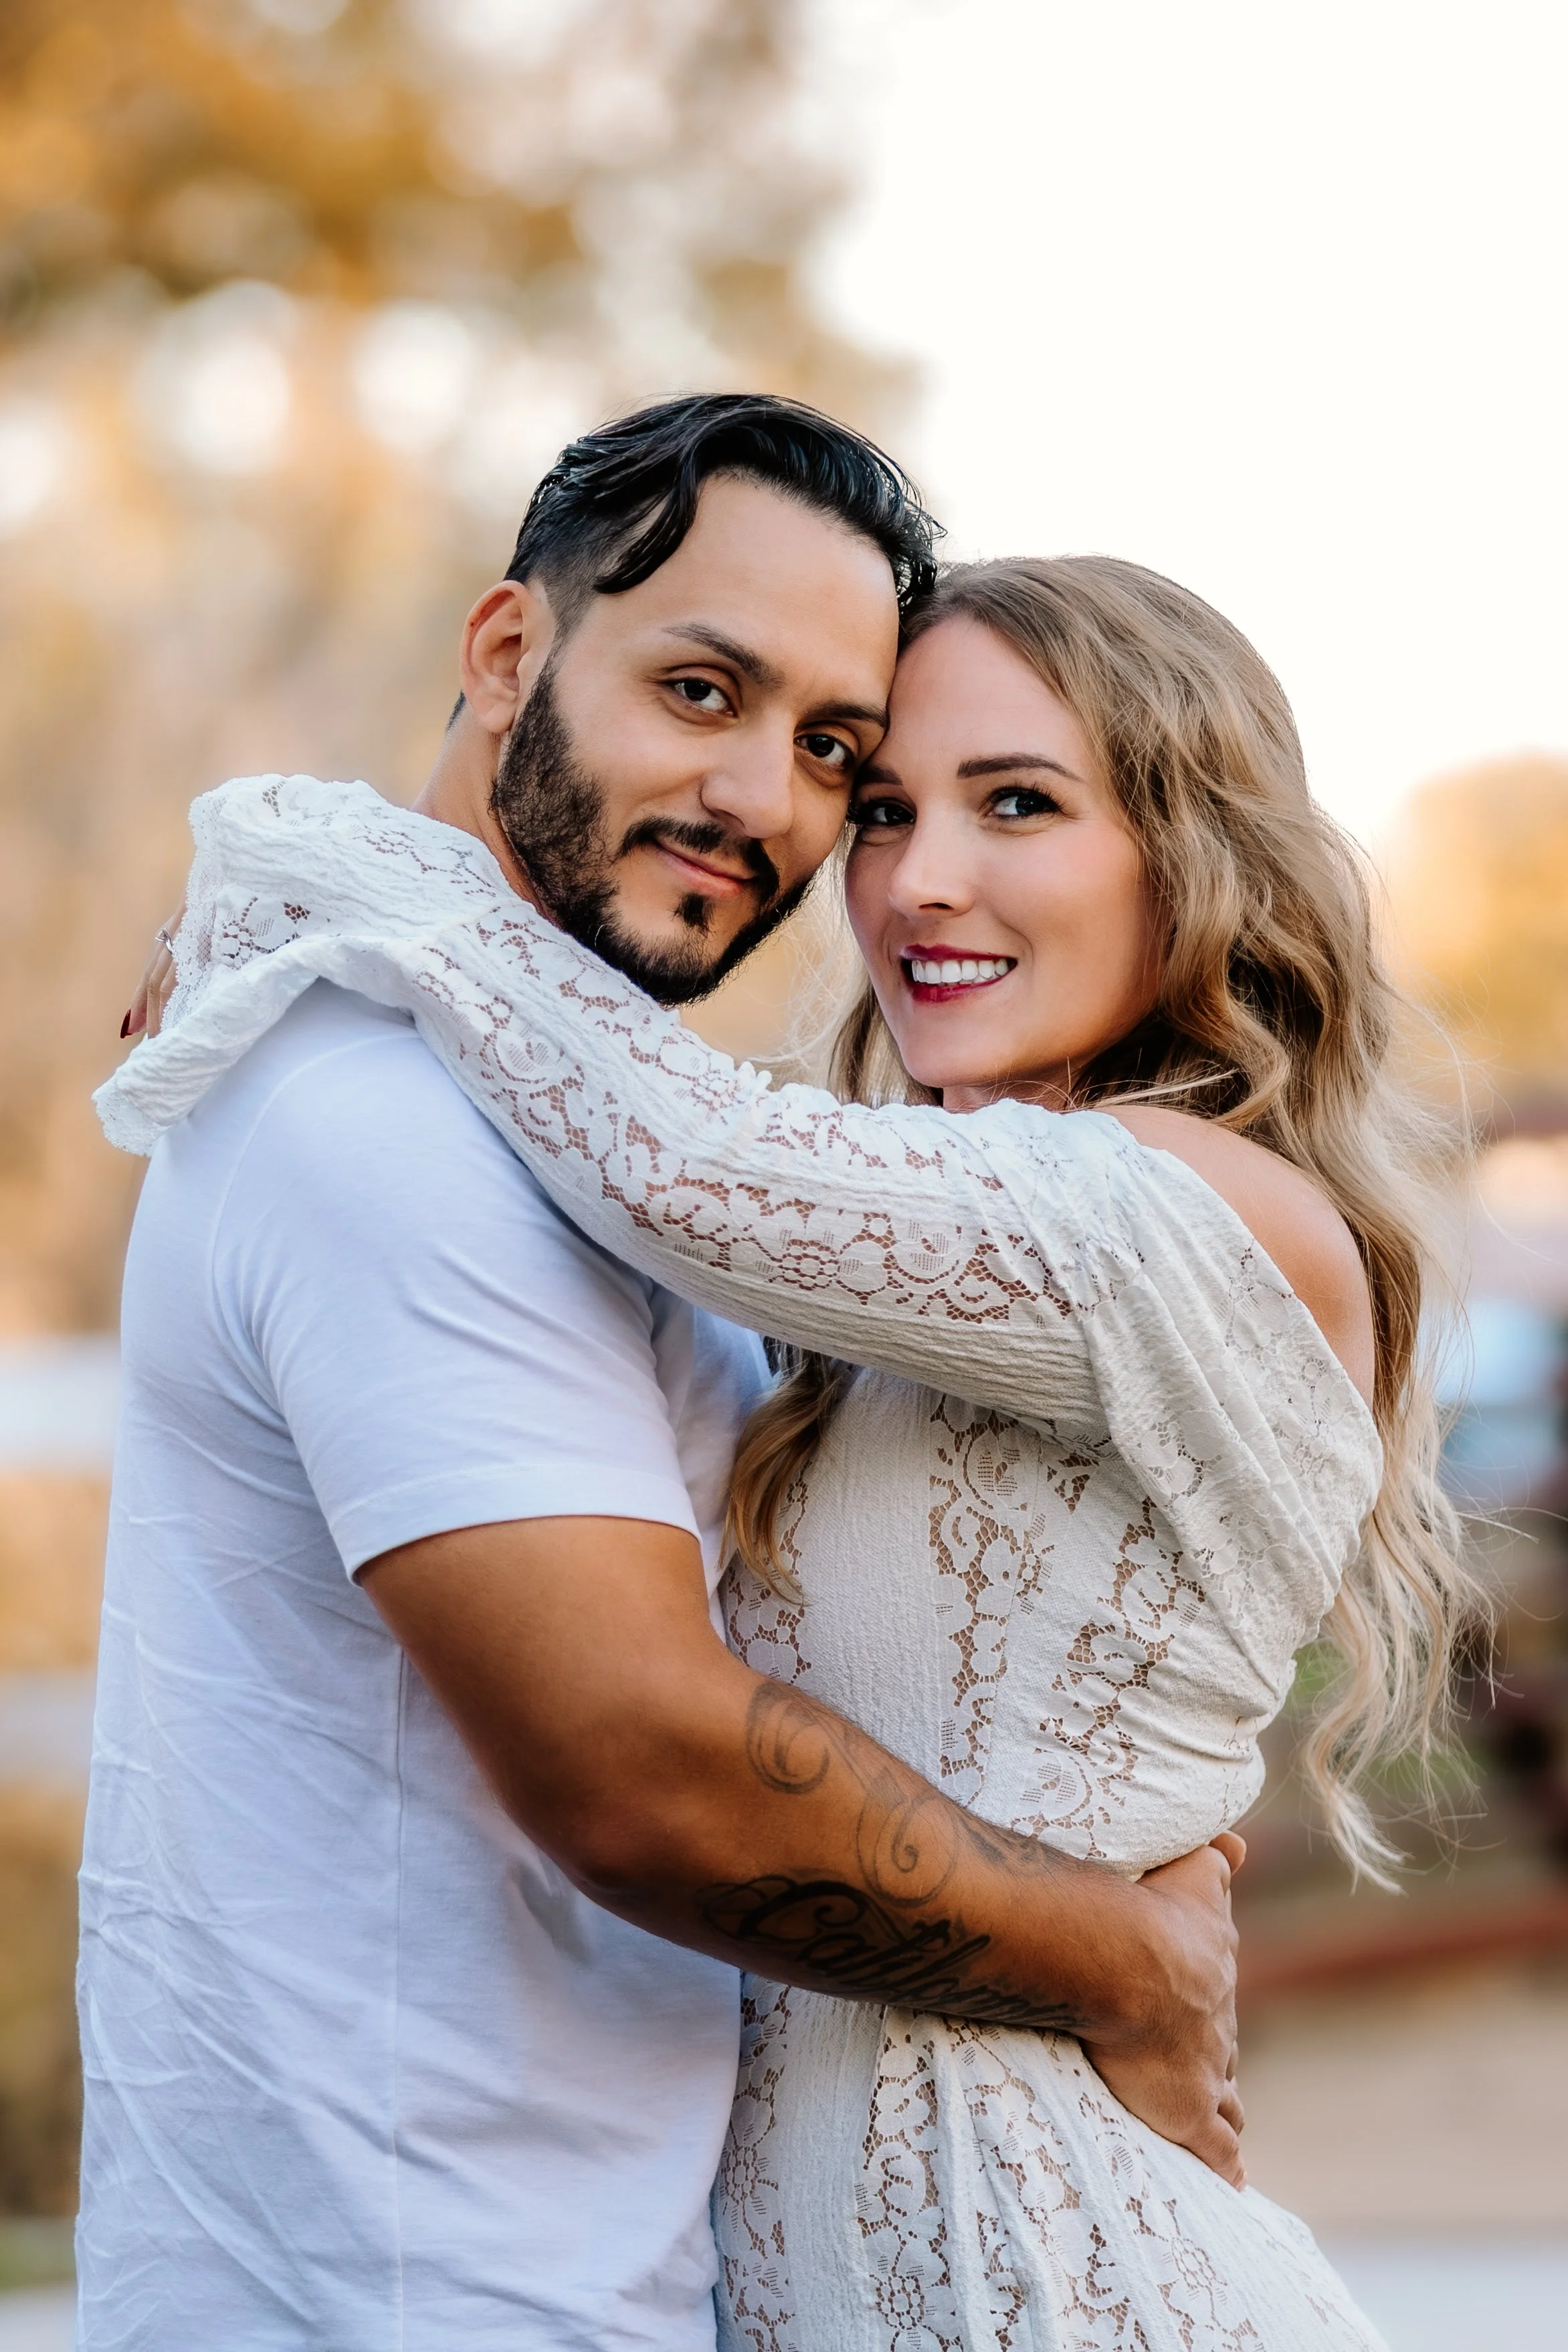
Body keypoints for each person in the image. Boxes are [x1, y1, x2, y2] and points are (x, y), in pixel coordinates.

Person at [110, 549, 1480, 2349]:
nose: (921, 881)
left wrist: (294, 872)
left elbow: (677, 1156)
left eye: (1020, 805)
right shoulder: (908, 1282)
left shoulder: (1201, 1215)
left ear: (1190, 848)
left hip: (1060, 2284)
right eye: (886, 807)